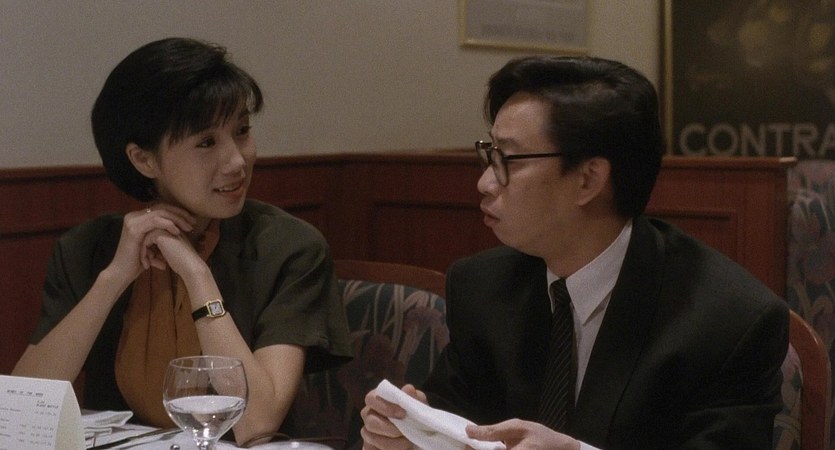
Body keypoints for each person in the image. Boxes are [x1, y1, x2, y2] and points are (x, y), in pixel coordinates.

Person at [360, 56, 789, 449]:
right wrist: (414, 430)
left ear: (589, 180)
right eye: (489, 154)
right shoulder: (484, 287)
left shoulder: (728, 320)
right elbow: (459, 416)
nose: (485, 183)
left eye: (509, 159)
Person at [13, 37, 352, 446]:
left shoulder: (289, 248)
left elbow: (257, 424)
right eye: (207, 142)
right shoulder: (87, 248)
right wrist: (113, 279)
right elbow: (23, 410)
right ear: (144, 160)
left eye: (242, 131)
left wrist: (196, 275)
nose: (237, 161)